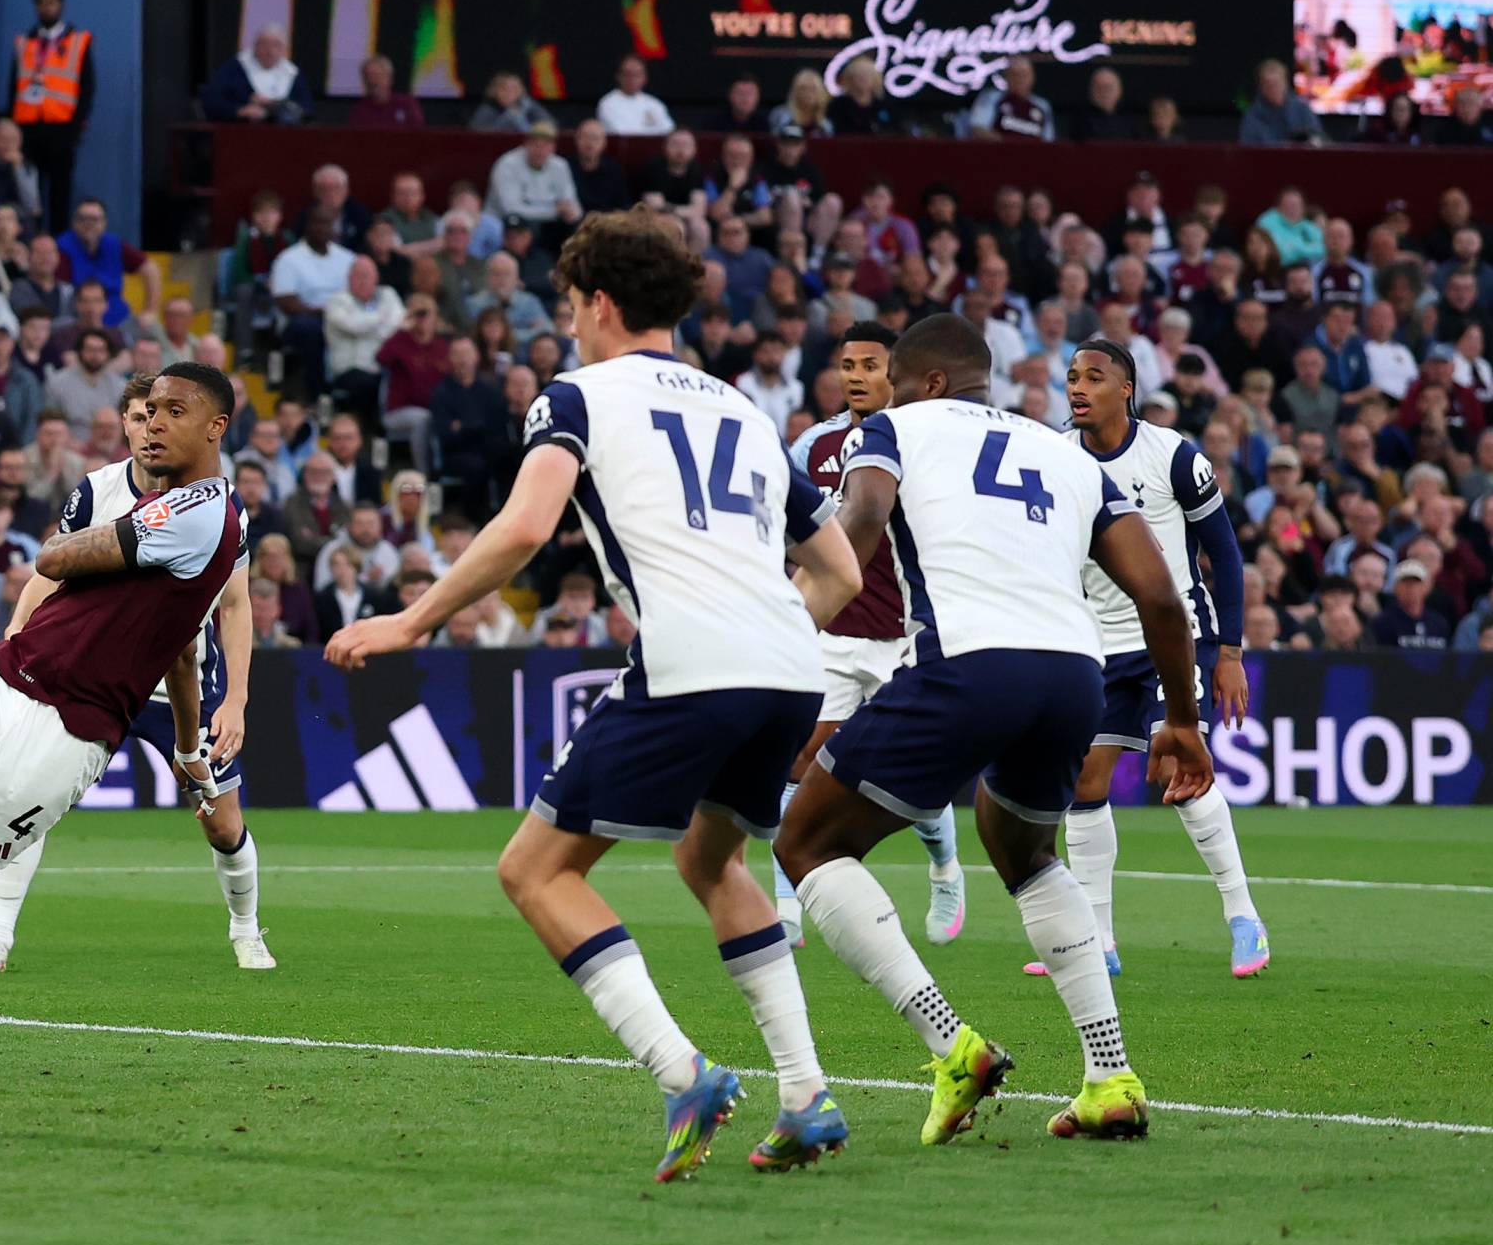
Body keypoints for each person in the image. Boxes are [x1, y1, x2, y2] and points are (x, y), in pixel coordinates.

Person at [331, 213, 864, 1177]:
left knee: (536, 871)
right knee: (714, 863)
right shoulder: (742, 408)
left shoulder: (575, 396)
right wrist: (767, 635)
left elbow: (525, 526)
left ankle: (681, 1071)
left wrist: (411, 622)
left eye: (573, 306)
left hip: (693, 662)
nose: (569, 324)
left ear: (602, 305)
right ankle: (805, 1094)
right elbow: (837, 571)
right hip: (790, 666)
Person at [777, 314, 1210, 1149]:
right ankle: (1110, 1077)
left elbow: (860, 524)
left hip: (967, 664)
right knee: (1023, 848)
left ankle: (951, 1045)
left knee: (807, 844)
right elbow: (1161, 594)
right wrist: (1181, 719)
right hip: (1072, 675)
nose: (888, 396)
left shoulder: (891, 429)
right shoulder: (1065, 453)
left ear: (929, 383)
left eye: (897, 382)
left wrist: (782, 634)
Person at [0, 362, 243, 1057]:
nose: (155, 423)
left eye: (175, 411)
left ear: (216, 427)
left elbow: (56, 557)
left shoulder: (203, 514)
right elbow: (182, 650)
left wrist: (80, 548)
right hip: (7, 676)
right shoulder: (155, 505)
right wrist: (188, 747)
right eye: (149, 409)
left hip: (76, 729)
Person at [0, 373, 266, 977]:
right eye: (139, 415)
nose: (148, 425)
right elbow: (47, 574)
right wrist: (17, 639)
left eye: (161, 413)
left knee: (220, 819)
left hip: (178, 680)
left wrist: (236, 697)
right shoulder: (97, 491)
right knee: (26, 797)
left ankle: (246, 929)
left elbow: (235, 602)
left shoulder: (220, 509)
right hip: (88, 677)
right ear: (125, 423)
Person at [1060, 340, 1268, 978]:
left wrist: (1229, 651)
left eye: (1094, 377)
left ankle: (1243, 918)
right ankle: (1099, 942)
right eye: (1071, 377)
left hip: (1172, 636)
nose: (1078, 387)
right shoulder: (1055, 459)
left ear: (1125, 388)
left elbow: (1224, 554)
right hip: (1097, 645)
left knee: (1180, 766)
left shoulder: (1173, 455)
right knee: (1085, 784)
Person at [776, 323, 965, 945]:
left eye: (870, 365)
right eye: (847, 364)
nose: (855, 376)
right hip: (831, 630)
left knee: (911, 771)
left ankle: (943, 867)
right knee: (801, 755)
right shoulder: (813, 446)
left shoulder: (919, 437)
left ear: (897, 373)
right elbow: (787, 527)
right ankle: (786, 904)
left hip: (901, 633)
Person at [10, 0, 95, 215]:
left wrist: (75, 127)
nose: (47, 8)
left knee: (60, 193)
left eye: (52, 3)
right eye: (42, 4)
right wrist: (14, 127)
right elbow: (13, 86)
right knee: (28, 192)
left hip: (62, 128)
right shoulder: (24, 42)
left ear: (61, 6)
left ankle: (57, 243)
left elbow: (87, 87)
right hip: (29, 128)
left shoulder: (78, 42)